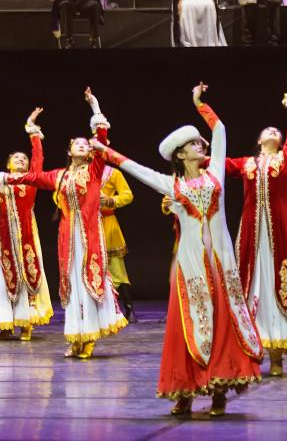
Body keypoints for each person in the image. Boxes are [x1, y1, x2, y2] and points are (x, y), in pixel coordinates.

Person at [88, 83, 262, 417]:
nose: (201, 145)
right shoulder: (171, 185)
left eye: (200, 142)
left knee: (222, 324)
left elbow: (220, 130)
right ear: (180, 154)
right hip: (191, 263)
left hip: (221, 262)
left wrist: (200, 104)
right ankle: (185, 390)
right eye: (194, 143)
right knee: (190, 325)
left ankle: (218, 390)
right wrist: (104, 151)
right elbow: (134, 168)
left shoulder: (215, 174)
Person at [2, 89, 127, 358]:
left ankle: (89, 336)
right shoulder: (59, 176)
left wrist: (95, 106)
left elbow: (101, 137)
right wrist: (7, 177)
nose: (82, 145)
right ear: (69, 151)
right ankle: (76, 336)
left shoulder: (95, 170)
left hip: (90, 234)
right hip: (67, 238)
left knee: (88, 281)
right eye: (76, 144)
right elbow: (32, 177)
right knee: (71, 284)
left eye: (85, 144)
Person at [224, 72, 287, 376]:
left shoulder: (285, 161)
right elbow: (213, 162)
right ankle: (249, 350)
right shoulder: (245, 164)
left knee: (280, 285)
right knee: (251, 287)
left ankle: (277, 356)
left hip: (278, 233)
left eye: (276, 131)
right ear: (258, 140)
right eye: (267, 130)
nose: (273, 132)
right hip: (251, 234)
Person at [0, 108, 52, 342]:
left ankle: (27, 323)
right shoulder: (2, 181)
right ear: (8, 164)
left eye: (24, 158)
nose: (21, 160)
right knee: (3, 281)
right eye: (16, 158)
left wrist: (32, 130)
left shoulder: (31, 181)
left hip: (26, 238)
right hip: (3, 239)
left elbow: (38, 161)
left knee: (27, 275)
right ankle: (5, 323)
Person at [98, 156, 136, 322]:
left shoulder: (111, 173)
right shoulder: (76, 174)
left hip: (106, 222)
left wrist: (110, 200)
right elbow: (59, 194)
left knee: (116, 268)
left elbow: (127, 195)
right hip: (83, 224)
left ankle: (128, 307)